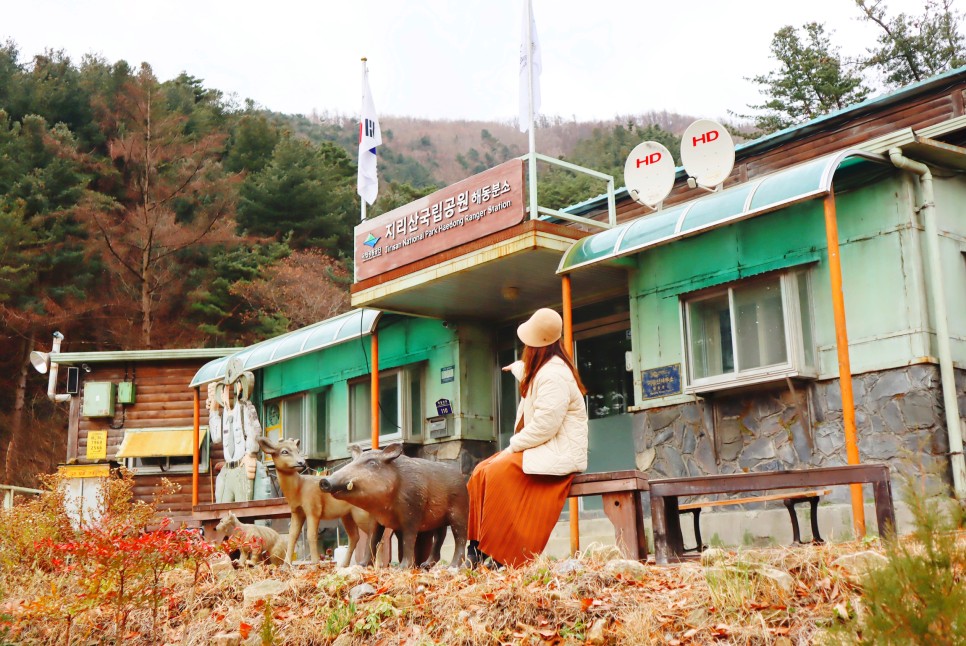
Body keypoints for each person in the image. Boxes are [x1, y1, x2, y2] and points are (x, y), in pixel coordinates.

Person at [466, 307, 589, 568]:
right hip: (546, 447)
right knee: (480, 471)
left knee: (497, 471)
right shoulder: (545, 369)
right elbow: (535, 381)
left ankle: (501, 555)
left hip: (558, 451)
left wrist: (513, 446)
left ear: (537, 346)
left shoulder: (553, 375)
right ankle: (477, 547)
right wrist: (518, 369)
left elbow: (546, 425)